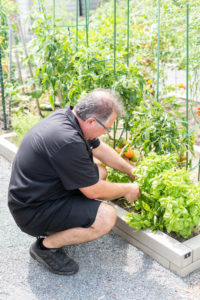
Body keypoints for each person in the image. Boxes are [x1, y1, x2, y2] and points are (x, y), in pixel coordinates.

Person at [8, 88, 140, 276]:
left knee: (100, 171)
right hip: (33, 211)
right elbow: (93, 191)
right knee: (106, 217)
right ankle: (45, 248)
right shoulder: (67, 140)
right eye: (107, 127)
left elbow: (99, 149)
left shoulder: (68, 118)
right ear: (92, 121)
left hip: (39, 193)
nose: (107, 132)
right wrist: (127, 189)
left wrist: (130, 170)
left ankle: (70, 223)